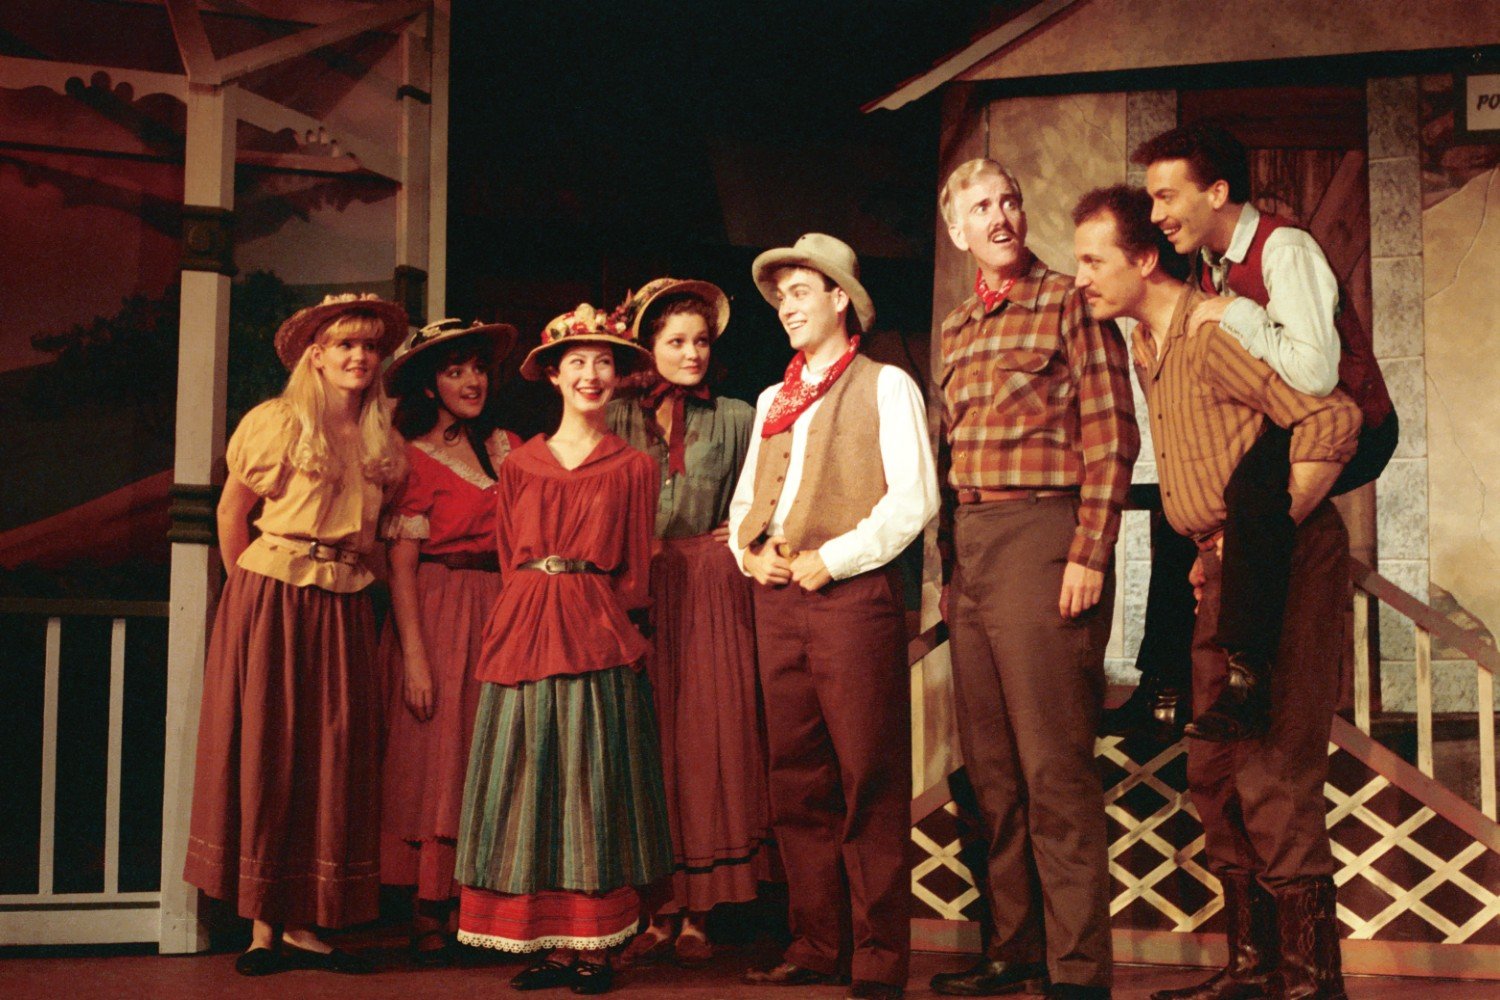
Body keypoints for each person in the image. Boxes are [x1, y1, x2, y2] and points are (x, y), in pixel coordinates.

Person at [1072, 184, 1361, 1000]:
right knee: (1213, 764)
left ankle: (1309, 985)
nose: (1081, 277)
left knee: (1271, 763)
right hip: (1216, 566)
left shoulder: (1208, 335)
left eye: (1094, 261)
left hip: (1280, 562)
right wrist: (1219, 550)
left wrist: (1257, 536)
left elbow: (1332, 418)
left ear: (1143, 258)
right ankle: (1253, 970)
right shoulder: (1146, 344)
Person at [1105, 122, 1397, 742]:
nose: (1156, 214)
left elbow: (1316, 375)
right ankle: (1163, 681)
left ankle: (1248, 676)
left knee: (1246, 503)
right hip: (1287, 419)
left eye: (1166, 196)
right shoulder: (1212, 265)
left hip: (1353, 418)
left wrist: (1237, 313)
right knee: (1185, 505)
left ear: (1215, 192)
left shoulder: (1282, 249)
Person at [929, 160, 1138, 1000]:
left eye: (1010, 199)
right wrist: (949, 574)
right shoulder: (954, 328)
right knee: (992, 770)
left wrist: (1089, 551)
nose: (1001, 215)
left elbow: (1111, 431)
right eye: (981, 206)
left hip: (1042, 535)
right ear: (958, 231)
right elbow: (951, 453)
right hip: (971, 545)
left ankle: (1078, 971)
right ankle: (1012, 949)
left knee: (1054, 765)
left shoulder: (1066, 300)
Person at [729, 233, 938, 1000]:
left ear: (839, 298)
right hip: (778, 602)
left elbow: (914, 501)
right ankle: (817, 944)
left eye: (800, 292)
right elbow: (747, 500)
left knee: (868, 779)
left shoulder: (886, 385)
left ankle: (879, 960)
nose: (786, 306)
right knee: (796, 782)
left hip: (852, 601)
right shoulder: (770, 400)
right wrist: (751, 553)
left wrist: (836, 557)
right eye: (780, 295)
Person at [183, 293, 409, 976]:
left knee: (331, 754)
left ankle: (310, 924)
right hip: (272, 595)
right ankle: (261, 926)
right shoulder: (277, 423)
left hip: (342, 604)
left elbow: (376, 542)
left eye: (369, 347)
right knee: (269, 748)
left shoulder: (381, 440)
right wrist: (247, 599)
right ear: (316, 353)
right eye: (344, 344)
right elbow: (231, 514)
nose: (359, 358)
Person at [452, 303, 671, 996]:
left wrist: (606, 619)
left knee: (592, 779)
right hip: (524, 624)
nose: (591, 373)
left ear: (618, 376)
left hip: (595, 624)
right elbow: (509, 557)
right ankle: (542, 942)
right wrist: (522, 617)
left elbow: (636, 573)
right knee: (527, 777)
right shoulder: (519, 465)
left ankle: (595, 946)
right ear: (552, 374)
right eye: (576, 360)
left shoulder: (635, 466)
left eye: (604, 361)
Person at [606, 278, 770, 968]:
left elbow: (766, 489)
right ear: (649, 348)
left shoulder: (736, 415)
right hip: (637, 588)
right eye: (677, 341)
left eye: (702, 341)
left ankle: (700, 912)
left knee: (706, 738)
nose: (693, 352)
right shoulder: (616, 416)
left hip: (708, 585)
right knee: (648, 740)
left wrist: (747, 530)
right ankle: (655, 906)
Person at [377, 317, 521, 965]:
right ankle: (429, 908)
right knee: (437, 758)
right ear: (430, 385)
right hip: (435, 613)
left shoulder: (504, 447)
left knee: (488, 755)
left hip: (498, 611)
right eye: (454, 370)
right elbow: (401, 567)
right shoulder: (411, 458)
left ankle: (480, 906)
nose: (471, 381)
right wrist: (414, 657)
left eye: (477, 368)